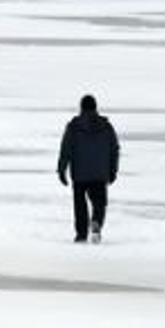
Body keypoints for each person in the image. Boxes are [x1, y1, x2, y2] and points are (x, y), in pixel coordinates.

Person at [57, 94, 120, 244]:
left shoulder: (74, 126)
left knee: (80, 205)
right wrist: (113, 170)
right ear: (95, 107)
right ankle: (96, 222)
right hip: (99, 173)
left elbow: (66, 149)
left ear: (81, 107)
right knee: (99, 202)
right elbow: (114, 149)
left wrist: (61, 170)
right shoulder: (106, 126)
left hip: (79, 174)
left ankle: (81, 234)